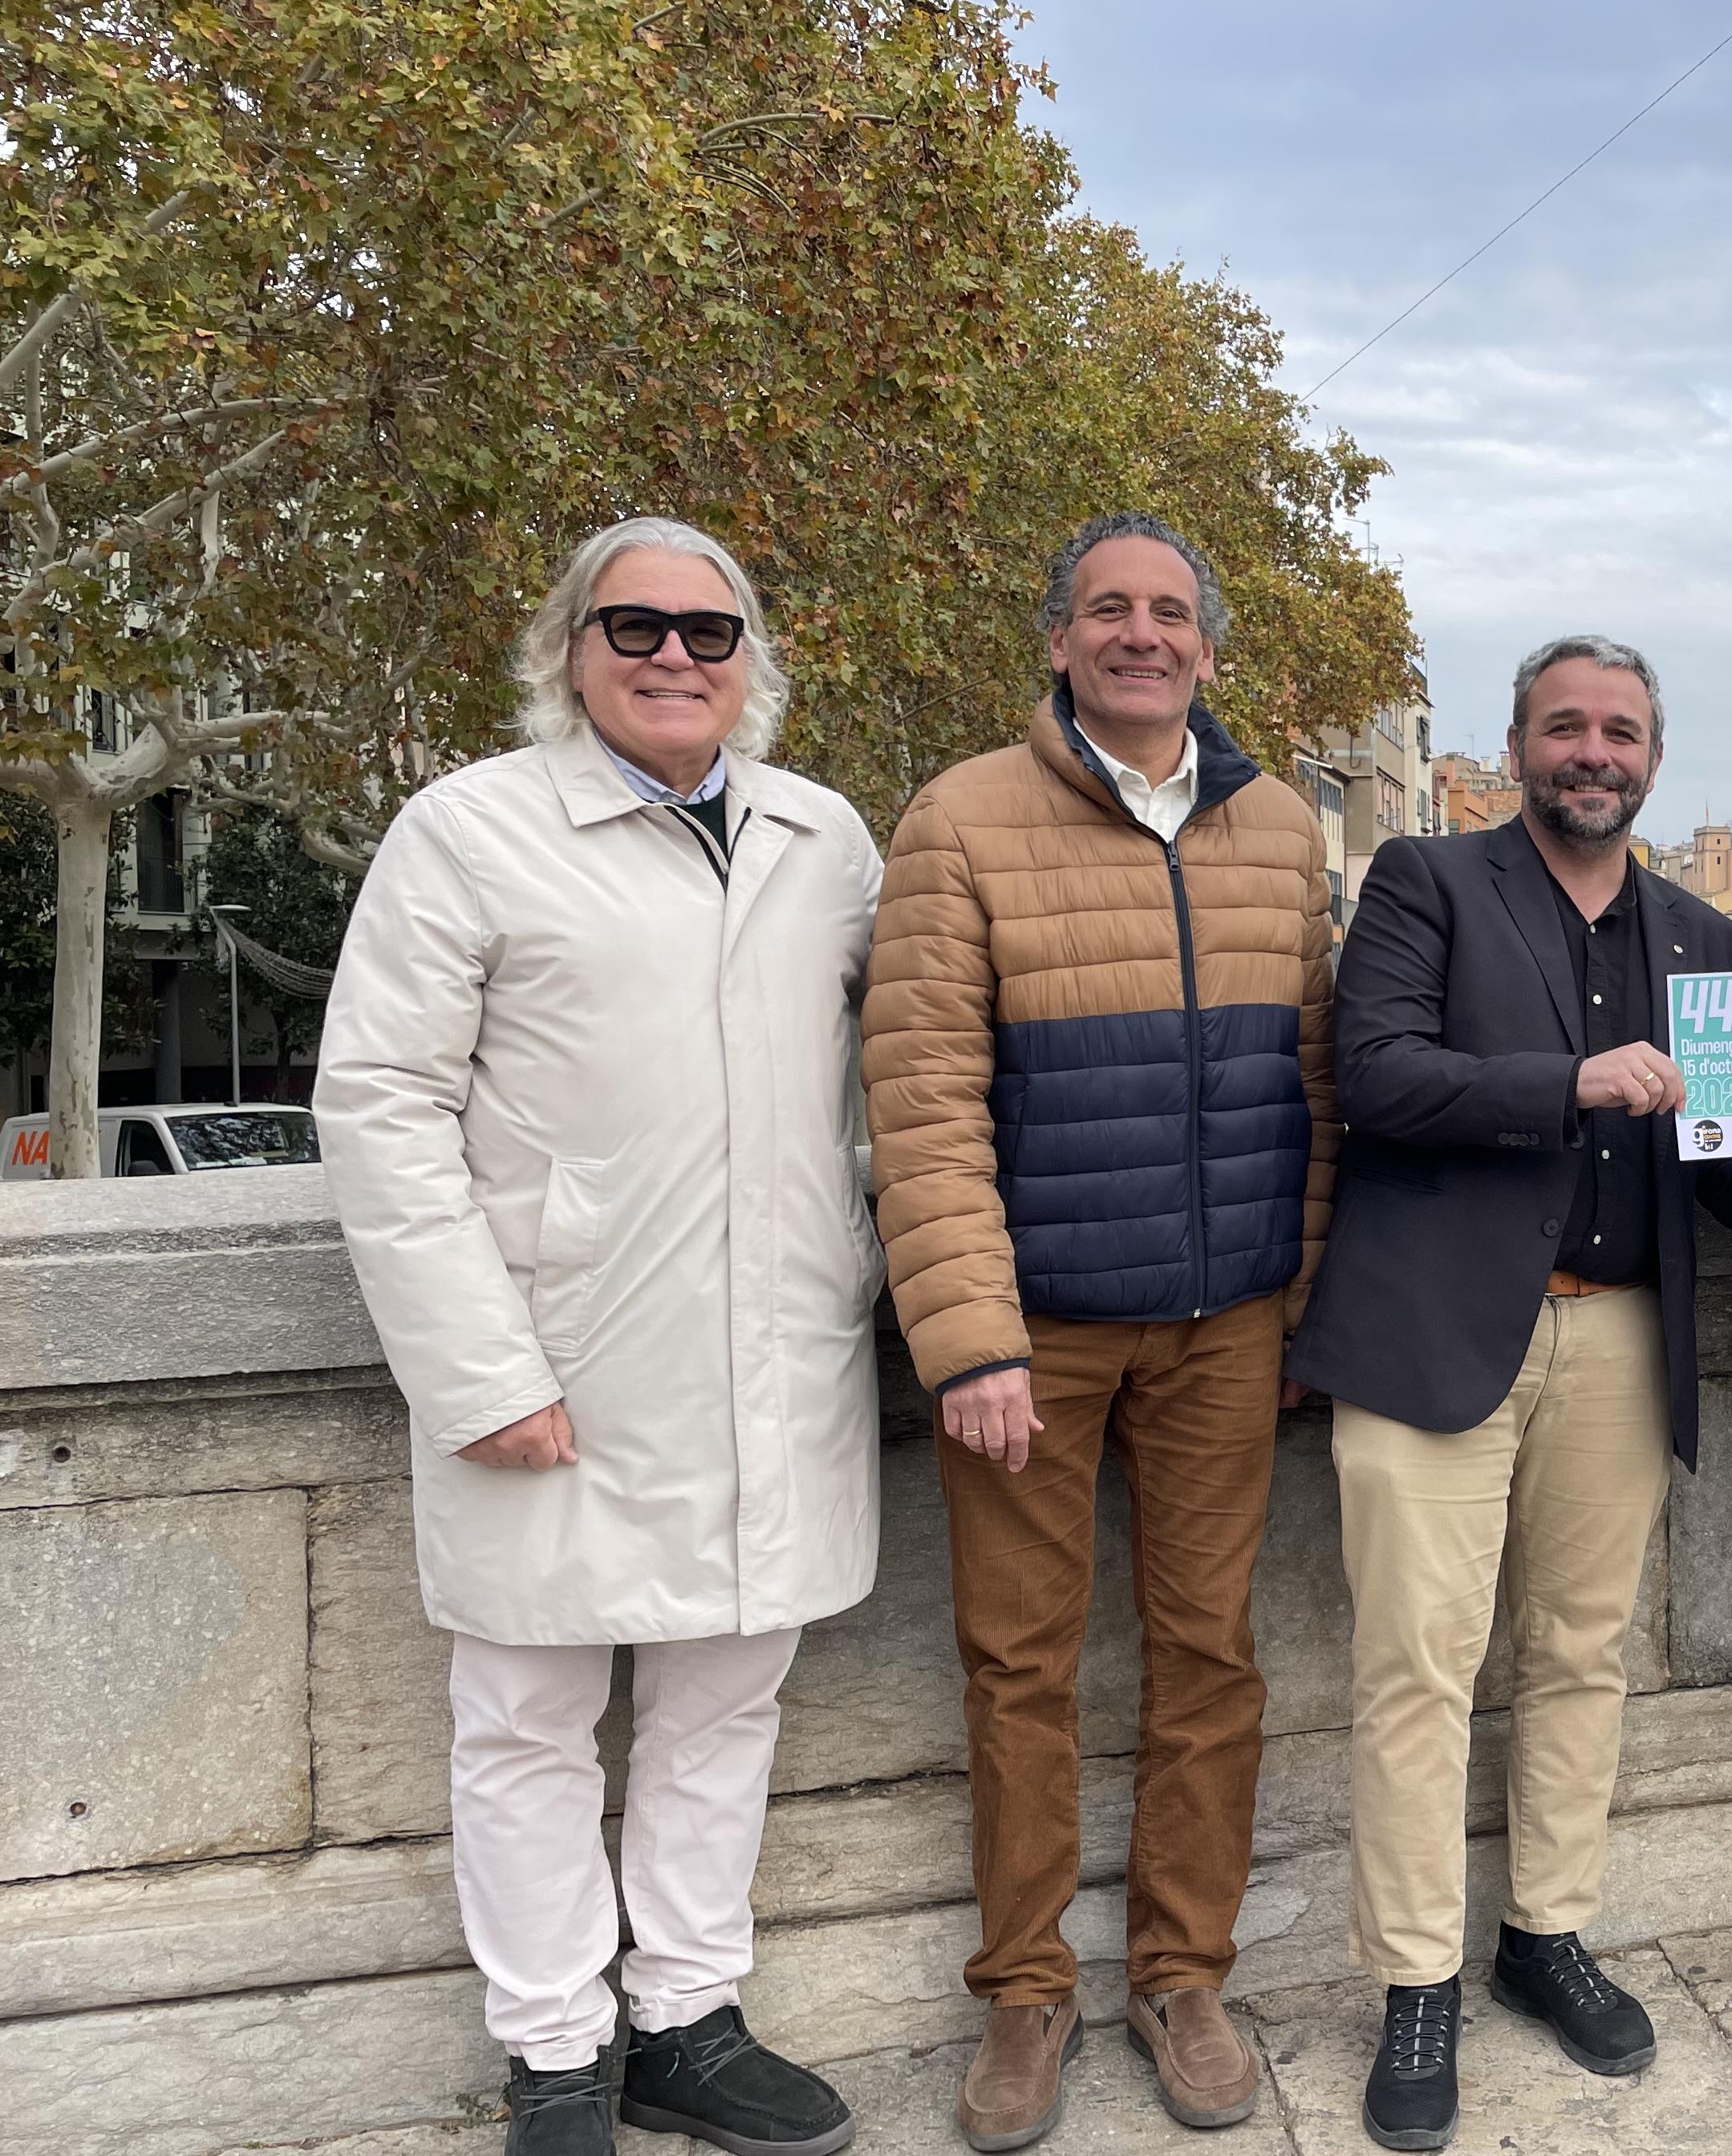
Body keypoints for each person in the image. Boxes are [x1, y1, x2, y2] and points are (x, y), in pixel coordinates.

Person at [315, 517, 882, 2156]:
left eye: (710, 633)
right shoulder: (469, 832)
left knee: (726, 1708)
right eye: (633, 627)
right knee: (524, 1723)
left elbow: (896, 1072)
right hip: (549, 1365)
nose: (673, 658)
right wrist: (479, 1369)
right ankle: (556, 2051)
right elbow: (381, 1104)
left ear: (751, 660)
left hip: (776, 1359)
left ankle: (687, 2022)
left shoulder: (827, 839)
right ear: (569, 647)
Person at [1288, 634, 1732, 2152]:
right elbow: (1376, 1076)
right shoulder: (1423, 885)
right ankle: (1415, 1983)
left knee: (1582, 1659)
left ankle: (1546, 1936)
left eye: (1623, 732)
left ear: (1656, 759)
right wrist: (1572, 1082)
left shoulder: (1708, 936)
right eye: (1567, 727)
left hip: (1622, 1338)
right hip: (1435, 1336)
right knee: (1416, 1669)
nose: (1596, 752)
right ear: (1517, 743)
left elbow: (1719, 1175)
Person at [862, 513, 1338, 2145]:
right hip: (1037, 1336)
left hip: (1228, 1325)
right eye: (1109, 611)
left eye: (1171, 613)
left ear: (1209, 650)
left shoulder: (1282, 827)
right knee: (1019, 1668)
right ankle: (1024, 1994)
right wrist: (971, 1339)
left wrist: (1301, 1294)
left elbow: (1316, 1086)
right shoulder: (961, 820)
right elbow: (919, 1098)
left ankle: (1180, 1975)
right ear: (1057, 641)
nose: (1143, 635)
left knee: (1213, 1661)